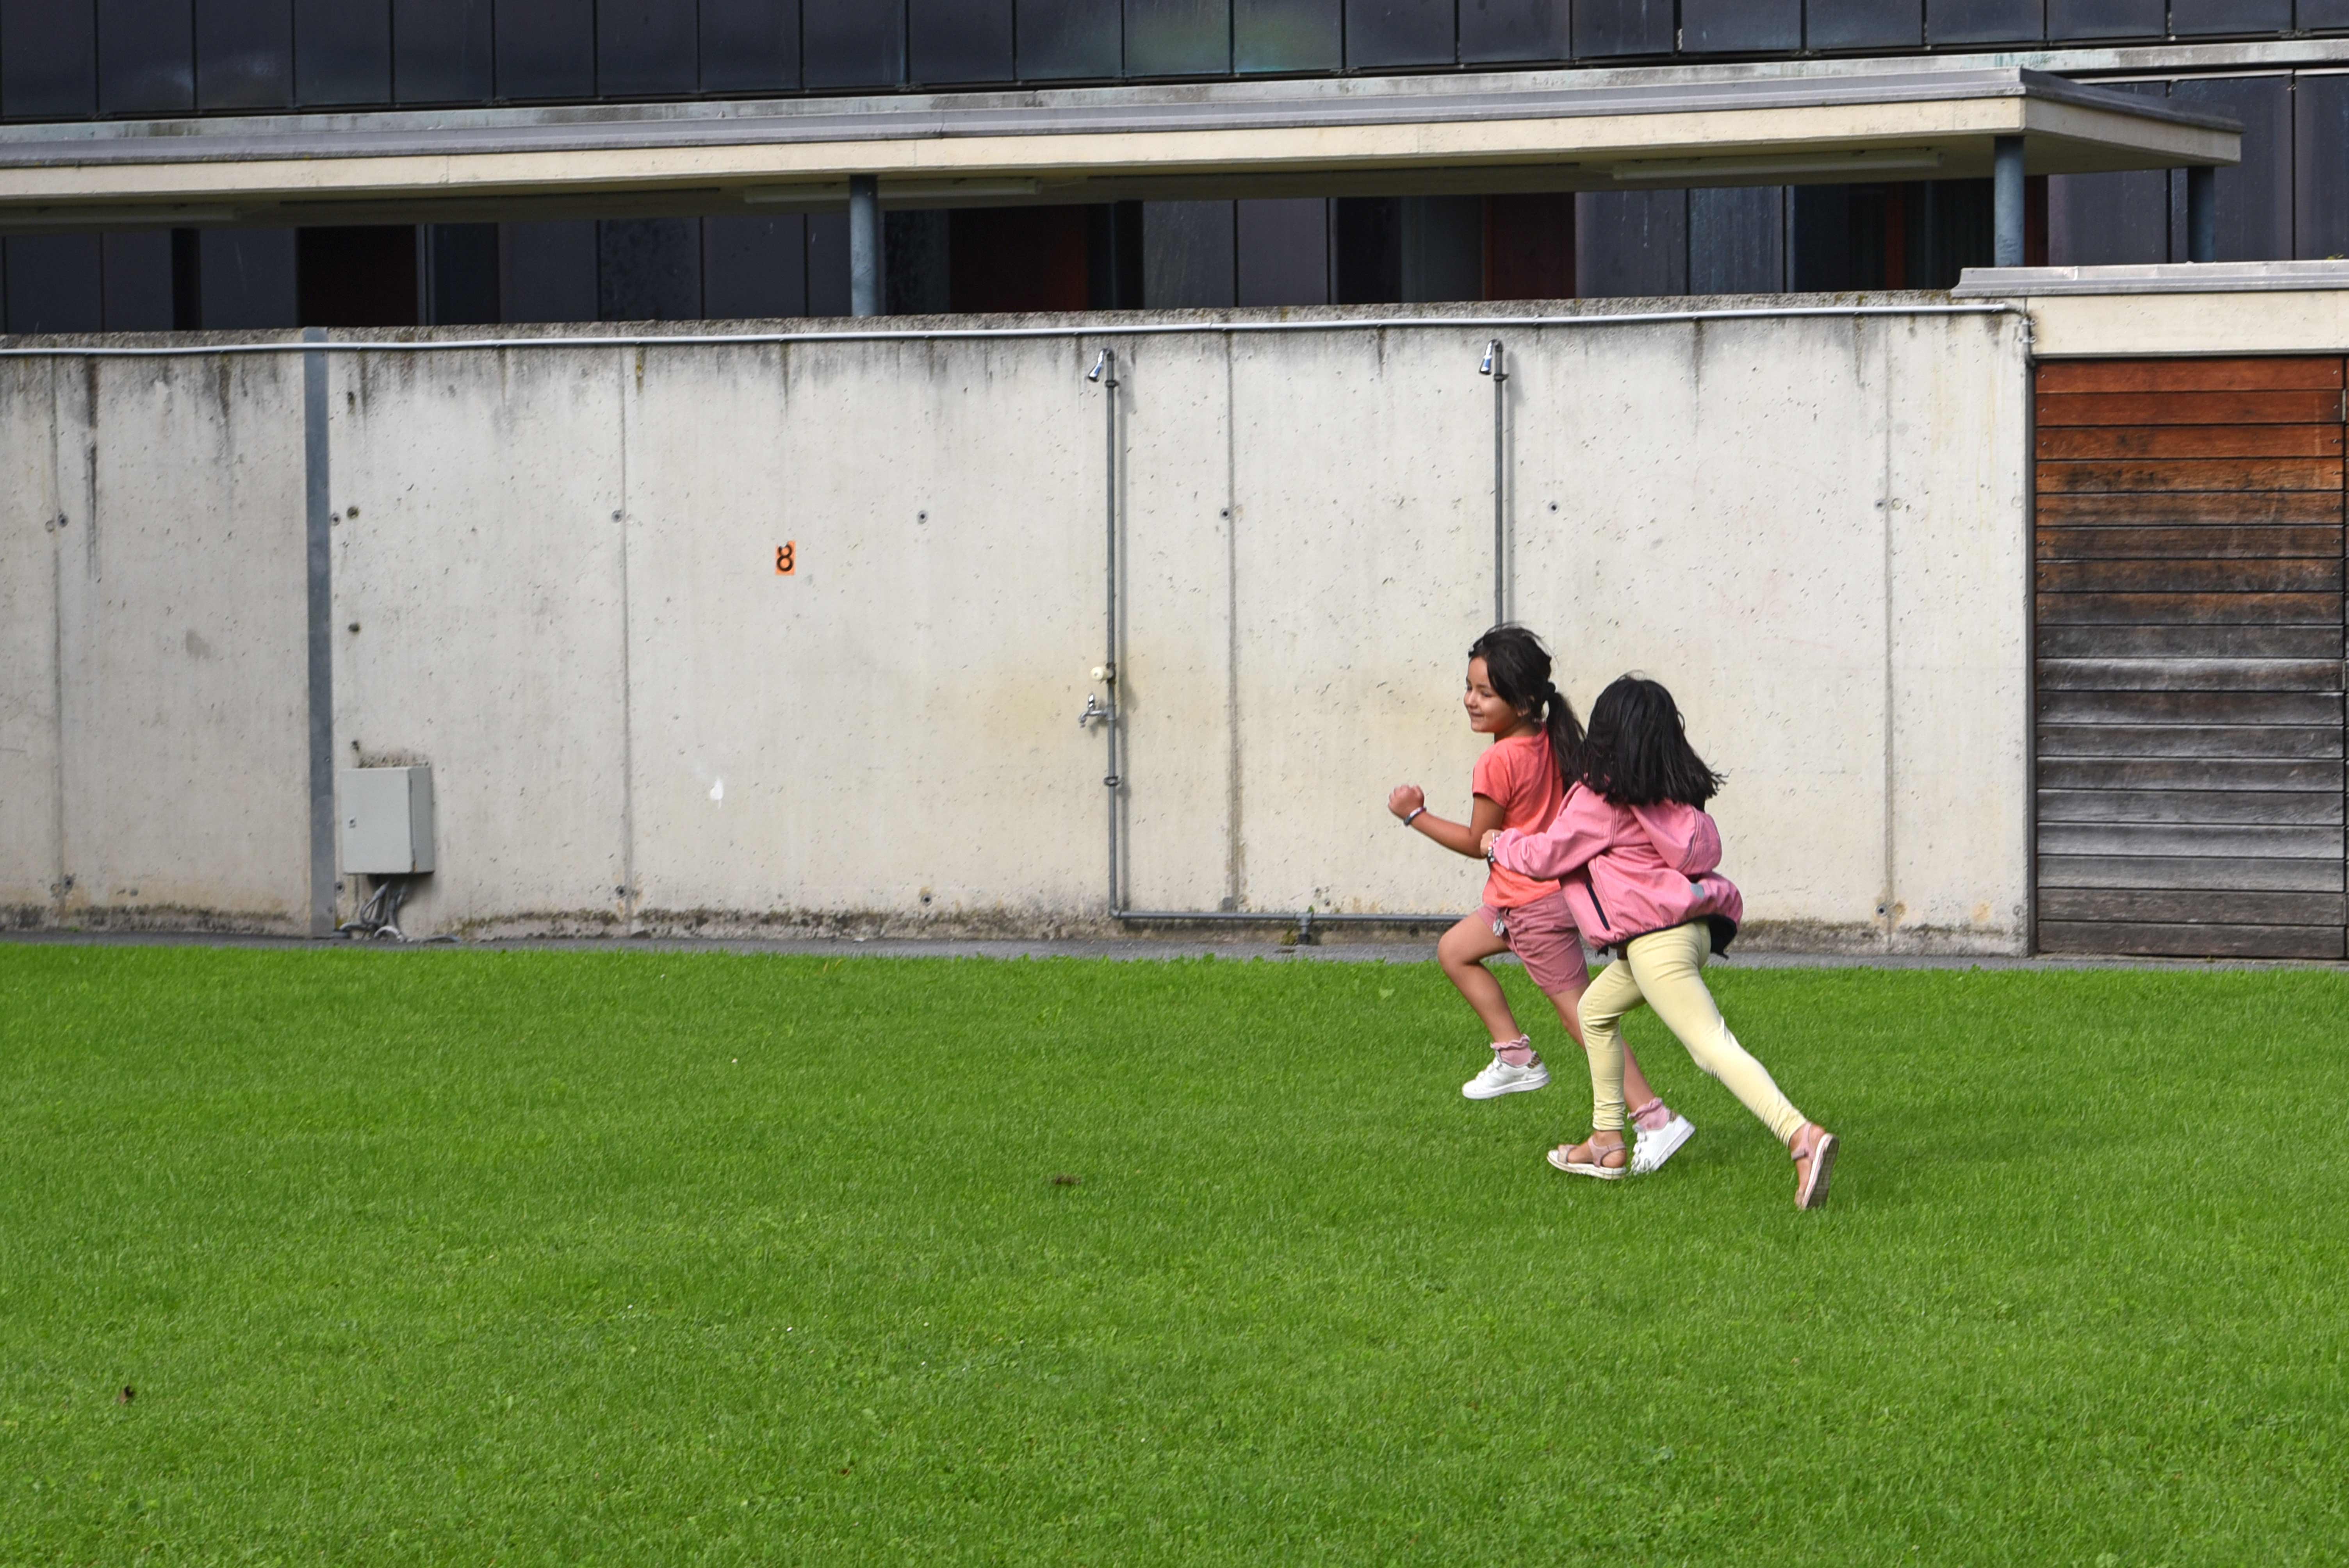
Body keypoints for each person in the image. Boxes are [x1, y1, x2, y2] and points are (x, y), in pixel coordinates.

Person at [1481, 675, 1838, 1210]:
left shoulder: (1600, 802)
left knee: (1710, 1046)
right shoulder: (1672, 796)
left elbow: (1544, 858)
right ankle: (1606, 1142)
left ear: (1603, 735)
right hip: (1690, 932)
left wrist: (1498, 843)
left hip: (1655, 946)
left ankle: (1799, 1135)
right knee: (1596, 1013)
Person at [1388, 628, 1695, 1176]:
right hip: (1527, 900)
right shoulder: (1555, 737)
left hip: (1534, 907)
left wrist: (1415, 816)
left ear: (1524, 701)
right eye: (1469, 688)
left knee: (1585, 1022)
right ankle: (1515, 1054)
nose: (1470, 700)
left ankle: (1654, 1118)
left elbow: (1478, 842)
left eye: (1485, 692)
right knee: (1455, 950)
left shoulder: (1498, 761)